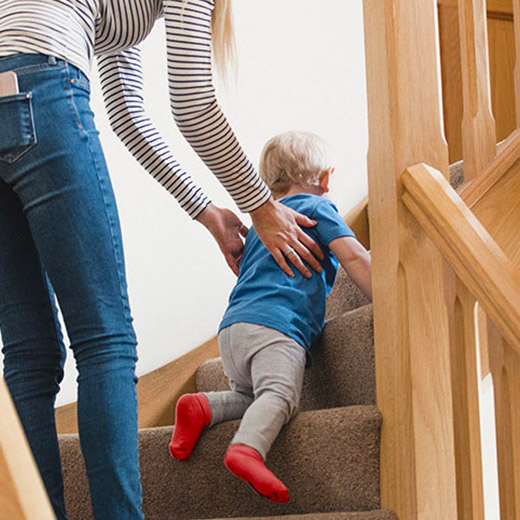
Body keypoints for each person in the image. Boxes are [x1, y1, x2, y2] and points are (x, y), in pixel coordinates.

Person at [0, 1, 323, 519]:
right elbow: (193, 102)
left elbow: (127, 111)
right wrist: (261, 207)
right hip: (44, 81)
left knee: (29, 354)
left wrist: (208, 212)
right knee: (105, 340)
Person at [168, 131, 373, 503]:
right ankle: (247, 448)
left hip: (233, 329)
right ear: (326, 179)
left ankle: (201, 407)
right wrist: (387, 295)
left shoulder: (262, 226)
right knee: (280, 395)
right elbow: (355, 257)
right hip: (277, 328)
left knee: (251, 396)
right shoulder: (316, 209)